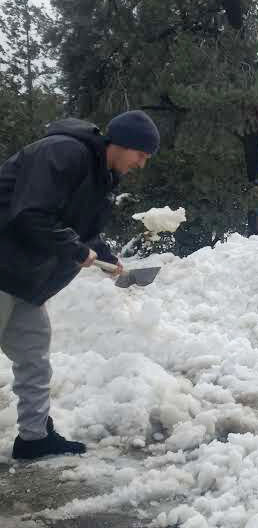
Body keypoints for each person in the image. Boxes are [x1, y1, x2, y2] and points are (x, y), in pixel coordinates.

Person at [0, 110, 159, 460]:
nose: (142, 163)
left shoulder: (100, 176)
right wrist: (75, 249)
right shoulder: (62, 153)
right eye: (141, 154)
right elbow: (30, 213)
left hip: (22, 277)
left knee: (34, 354)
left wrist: (104, 255)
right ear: (121, 144)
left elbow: (80, 227)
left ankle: (34, 437)